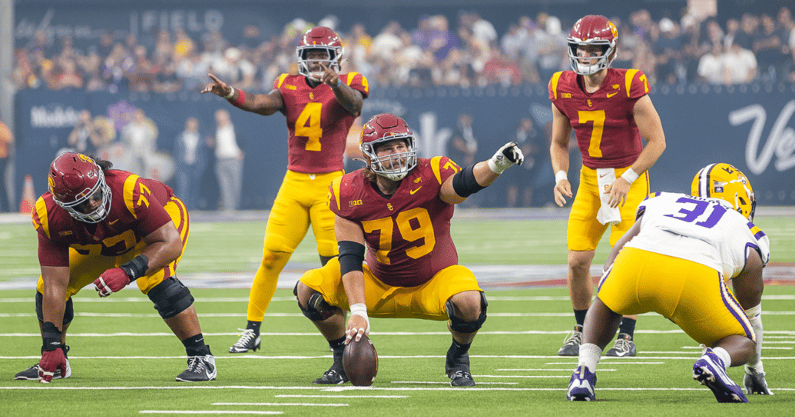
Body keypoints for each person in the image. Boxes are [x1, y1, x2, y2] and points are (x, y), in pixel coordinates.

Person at [294, 113, 523, 386]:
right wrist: (358, 310)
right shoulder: (348, 190)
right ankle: (342, 355)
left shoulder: (432, 172)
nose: (397, 153)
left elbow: (461, 186)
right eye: (388, 148)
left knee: (470, 300)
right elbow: (350, 258)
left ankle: (459, 357)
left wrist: (496, 164)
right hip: (379, 283)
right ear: (368, 155)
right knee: (309, 288)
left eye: (401, 145)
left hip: (433, 283)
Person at [201, 26, 369, 353]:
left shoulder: (352, 82)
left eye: (324, 56)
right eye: (312, 56)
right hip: (294, 182)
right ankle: (252, 329)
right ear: (302, 58)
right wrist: (232, 94)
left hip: (330, 185)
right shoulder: (288, 84)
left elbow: (353, 106)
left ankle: (345, 340)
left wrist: (335, 82)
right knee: (271, 258)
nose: (318, 62)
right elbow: (263, 104)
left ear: (336, 58)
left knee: (334, 265)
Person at [567, 163, 772, 402]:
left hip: (637, 263)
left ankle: (584, 372)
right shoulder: (746, 229)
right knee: (743, 339)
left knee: (606, 303)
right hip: (695, 279)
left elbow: (612, 259)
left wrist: (614, 295)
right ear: (742, 199)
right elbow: (751, 315)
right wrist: (754, 368)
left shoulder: (662, 200)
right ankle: (715, 360)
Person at [14, 152, 216, 383]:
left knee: (154, 279)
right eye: (82, 203)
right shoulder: (49, 216)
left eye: (97, 194)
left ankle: (202, 358)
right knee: (47, 288)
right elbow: (54, 284)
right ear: (63, 205)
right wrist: (50, 345)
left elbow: (170, 243)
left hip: (155, 229)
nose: (93, 204)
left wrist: (127, 271)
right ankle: (58, 359)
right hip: (106, 242)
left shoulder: (128, 190)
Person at [550, 15, 667, 357]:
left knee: (623, 262)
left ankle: (626, 335)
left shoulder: (629, 84)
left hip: (627, 179)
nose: (586, 56)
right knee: (577, 262)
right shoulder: (561, 85)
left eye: (594, 49)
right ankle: (581, 329)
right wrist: (560, 175)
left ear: (610, 51)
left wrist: (628, 177)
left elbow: (657, 141)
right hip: (589, 180)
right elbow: (559, 142)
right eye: (580, 49)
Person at [209, 109, 244, 212]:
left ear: (227, 117)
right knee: (224, 185)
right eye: (217, 117)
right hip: (220, 160)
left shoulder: (235, 128)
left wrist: (242, 152)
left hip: (234, 159)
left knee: (235, 184)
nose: (219, 119)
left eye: (221, 117)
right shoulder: (215, 130)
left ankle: (236, 206)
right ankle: (229, 207)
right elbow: (211, 143)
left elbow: (243, 140)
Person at [173, 117, 208, 210]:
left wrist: (202, 166)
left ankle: (193, 208)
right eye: (190, 124)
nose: (192, 126)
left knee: (195, 188)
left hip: (196, 166)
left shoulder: (201, 137)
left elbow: (204, 154)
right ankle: (182, 209)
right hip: (183, 166)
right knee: (183, 187)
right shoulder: (180, 137)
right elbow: (176, 152)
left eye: (194, 124)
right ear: (187, 124)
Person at [0, 120, 13, 212]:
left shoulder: (1, 126)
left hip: (2, 158)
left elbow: (10, 139)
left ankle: (5, 208)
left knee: (1, 184)